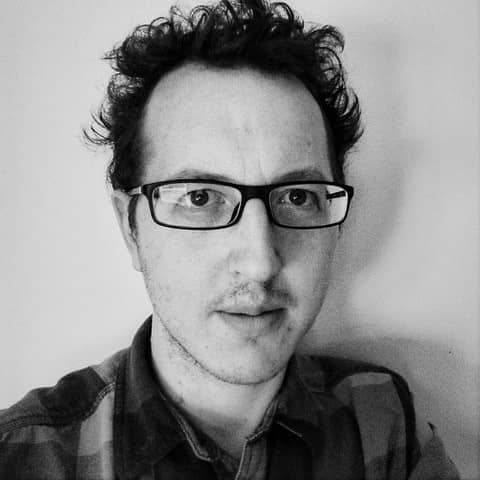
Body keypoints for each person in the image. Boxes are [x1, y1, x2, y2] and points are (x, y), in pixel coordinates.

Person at [0, 0, 460, 478]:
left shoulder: (382, 422)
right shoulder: (25, 457)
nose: (261, 262)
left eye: (298, 197)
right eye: (200, 198)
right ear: (130, 227)